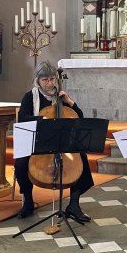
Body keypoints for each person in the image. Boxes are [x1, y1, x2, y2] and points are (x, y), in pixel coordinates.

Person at [15, 61, 94, 224]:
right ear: (38, 80)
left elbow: (79, 116)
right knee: (21, 163)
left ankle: (74, 205)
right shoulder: (30, 96)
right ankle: (28, 201)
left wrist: (70, 102)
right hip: (38, 142)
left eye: (52, 79)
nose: (50, 83)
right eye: (45, 80)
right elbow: (22, 118)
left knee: (82, 159)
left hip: (61, 143)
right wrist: (43, 119)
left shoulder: (61, 97)